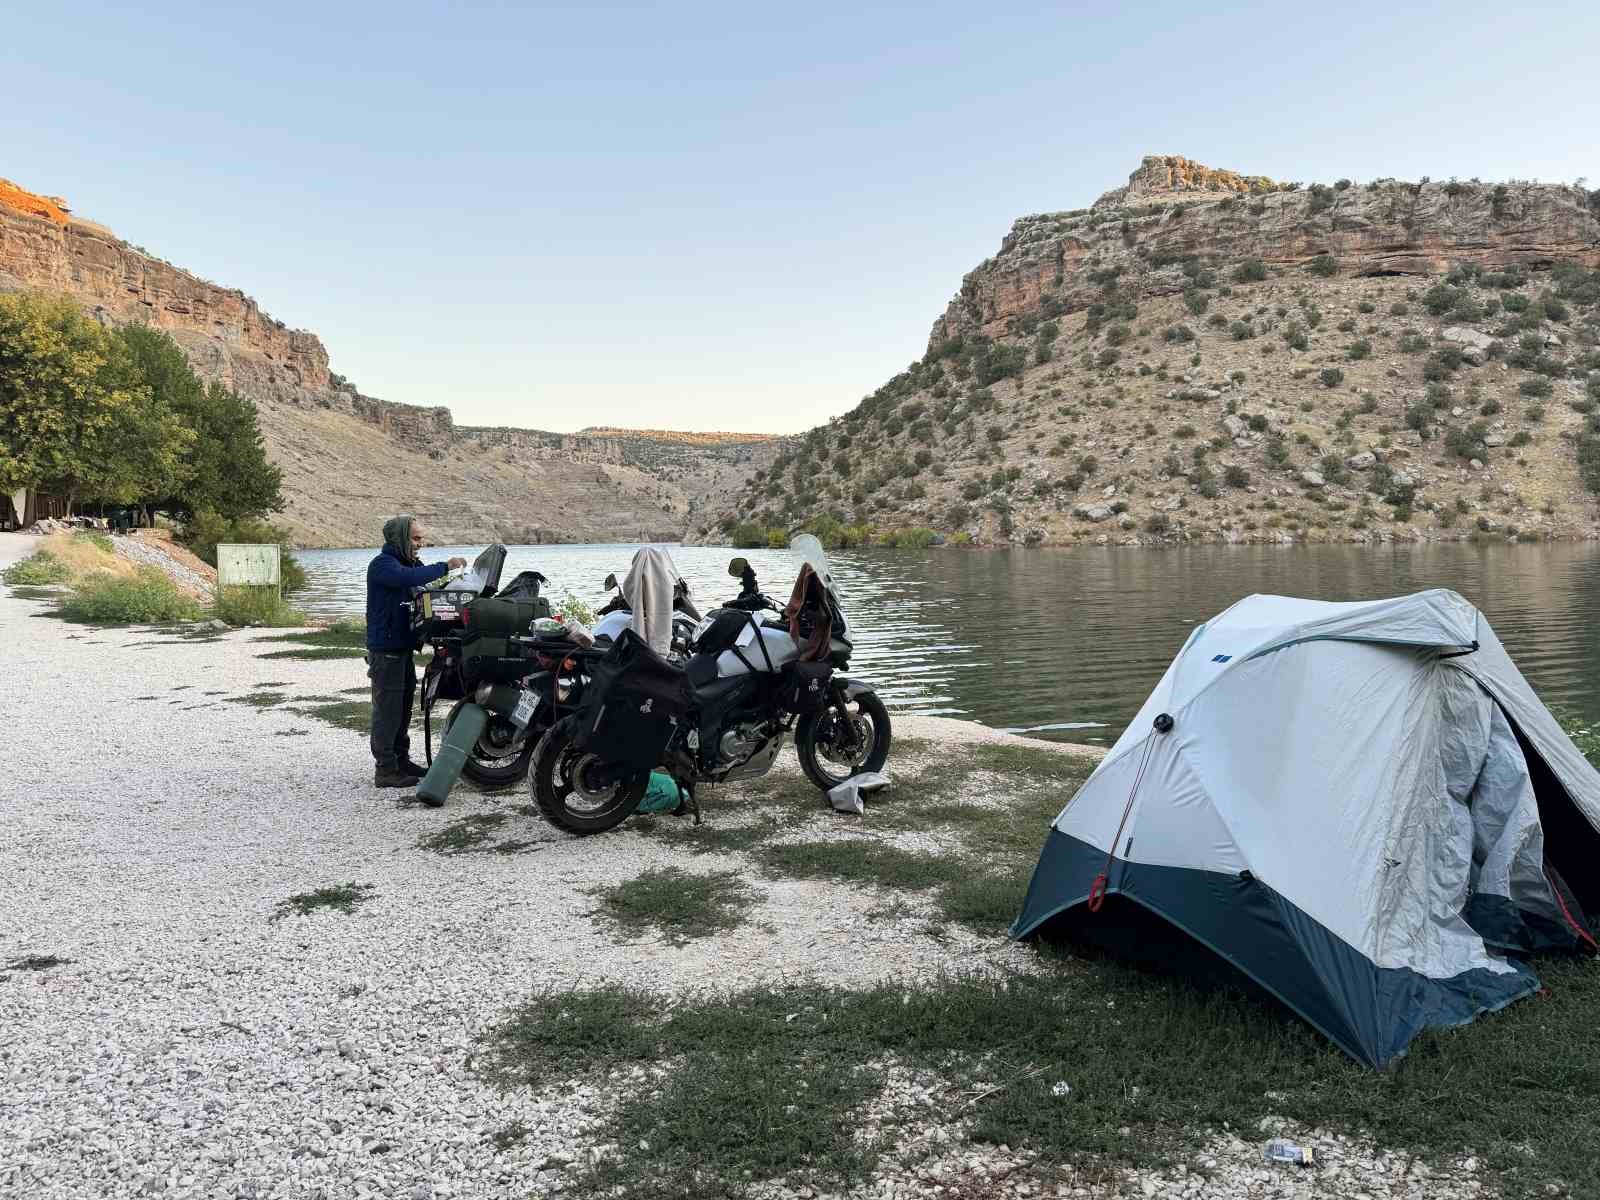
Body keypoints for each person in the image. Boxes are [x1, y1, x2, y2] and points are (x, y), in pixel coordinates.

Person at [366, 516, 465, 788]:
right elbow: (408, 578)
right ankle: (385, 770)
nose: (420, 544)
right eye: (416, 538)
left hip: (401, 650)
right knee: (387, 711)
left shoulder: (408, 565)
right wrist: (446, 566)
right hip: (386, 651)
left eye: (421, 538)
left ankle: (401, 760)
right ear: (399, 539)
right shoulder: (383, 565)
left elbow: (423, 592)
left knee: (402, 709)